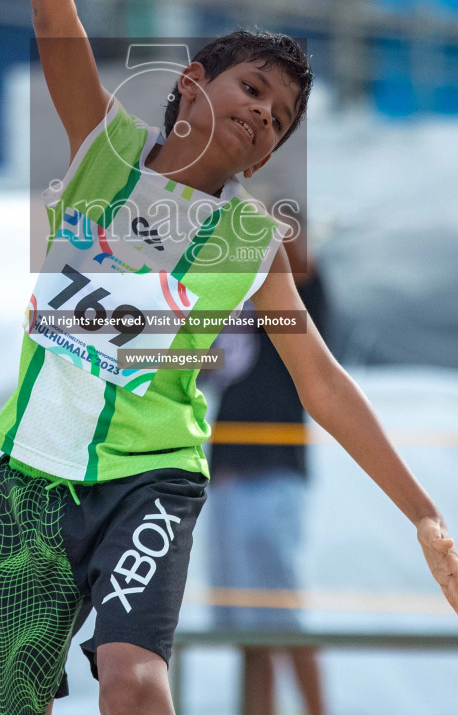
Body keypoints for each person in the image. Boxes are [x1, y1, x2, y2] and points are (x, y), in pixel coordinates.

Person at [0, 0, 458, 715]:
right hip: (33, 472)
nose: (263, 116)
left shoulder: (251, 246)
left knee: (136, 679)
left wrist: (424, 512)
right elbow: (51, 9)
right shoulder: (102, 151)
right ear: (194, 80)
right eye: (254, 89)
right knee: (5, 706)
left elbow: (320, 379)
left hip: (151, 479)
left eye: (281, 118)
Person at [209, 237, 328, 715]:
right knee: (247, 631)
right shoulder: (225, 290)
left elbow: (302, 257)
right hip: (225, 473)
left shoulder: (296, 286)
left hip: (276, 470)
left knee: (285, 620)